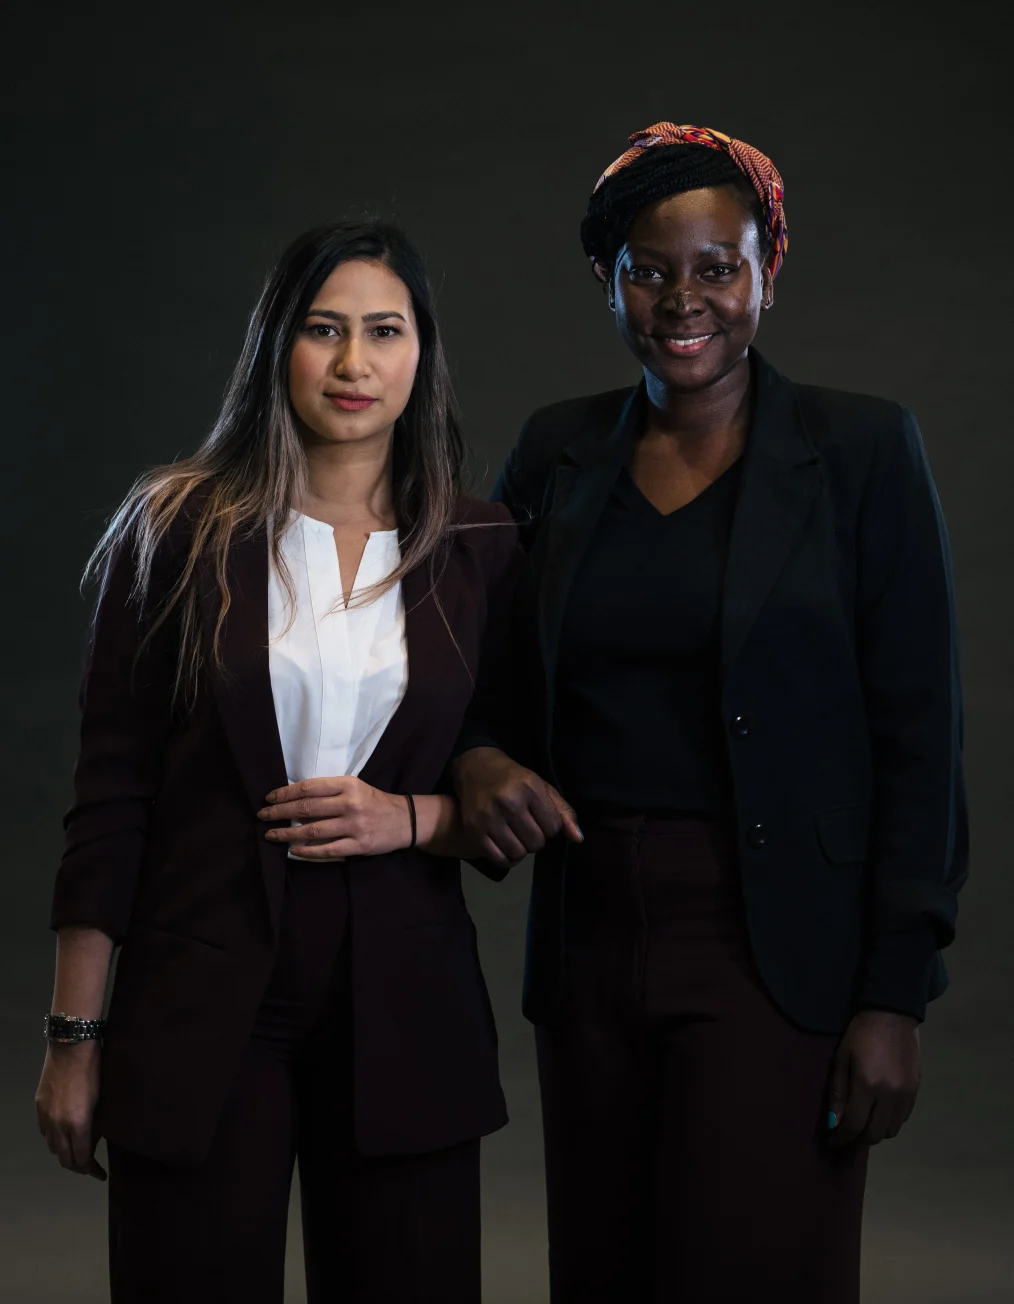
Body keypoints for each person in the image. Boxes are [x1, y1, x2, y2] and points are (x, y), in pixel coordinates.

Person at [452, 122, 968, 1303]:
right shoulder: (557, 451)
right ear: (610, 280)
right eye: (650, 270)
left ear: (767, 271)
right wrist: (478, 754)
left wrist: (895, 992)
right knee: (606, 1263)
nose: (685, 299)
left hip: (778, 941)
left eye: (717, 266)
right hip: (591, 930)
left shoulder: (862, 451)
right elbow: (479, 672)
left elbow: (920, 736)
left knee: (754, 1265)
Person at [35, 220, 519, 1304]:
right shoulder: (175, 532)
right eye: (324, 330)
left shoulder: (481, 550)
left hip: (406, 1003)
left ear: (421, 354)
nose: (354, 364)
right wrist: (74, 1035)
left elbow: (515, 771)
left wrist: (416, 818)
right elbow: (109, 798)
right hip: (202, 1003)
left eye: (384, 332)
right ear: (275, 349)